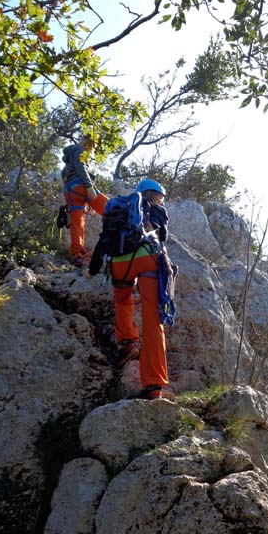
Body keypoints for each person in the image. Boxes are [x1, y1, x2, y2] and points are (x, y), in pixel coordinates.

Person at [89, 179, 174, 401]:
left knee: (122, 299)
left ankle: (128, 342)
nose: (162, 200)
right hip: (147, 257)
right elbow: (162, 236)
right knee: (153, 319)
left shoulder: (120, 205)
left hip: (118, 261)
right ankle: (153, 385)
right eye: (161, 197)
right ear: (153, 194)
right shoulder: (153, 207)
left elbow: (102, 218)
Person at [61, 136, 108, 267]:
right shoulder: (80, 150)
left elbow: (65, 175)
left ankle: (78, 255)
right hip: (81, 187)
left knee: (77, 222)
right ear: (87, 142)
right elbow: (80, 166)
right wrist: (89, 187)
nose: (93, 148)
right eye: (93, 145)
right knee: (112, 209)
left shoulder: (69, 158)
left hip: (70, 192)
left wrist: (85, 201)